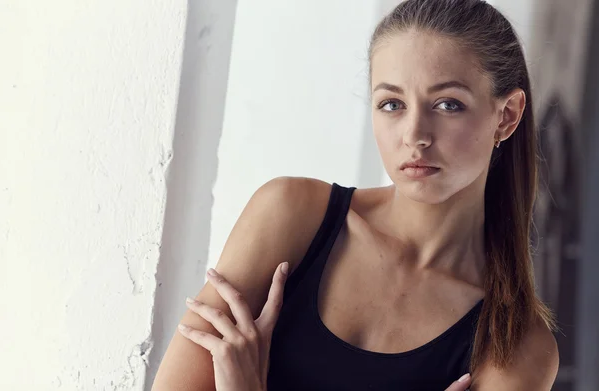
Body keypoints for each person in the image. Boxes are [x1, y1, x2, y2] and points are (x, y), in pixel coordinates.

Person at [152, 0, 559, 389]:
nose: (415, 135)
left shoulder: (518, 346)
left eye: (448, 104)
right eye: (392, 104)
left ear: (506, 116)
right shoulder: (290, 215)